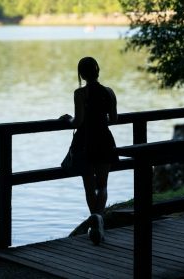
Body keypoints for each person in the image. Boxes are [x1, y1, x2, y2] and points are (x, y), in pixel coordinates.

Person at [60, 56, 118, 245]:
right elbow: (114, 118)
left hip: (85, 142)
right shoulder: (109, 92)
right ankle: (99, 219)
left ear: (82, 74)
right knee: (102, 185)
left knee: (88, 185)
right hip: (105, 139)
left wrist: (66, 120)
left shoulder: (80, 94)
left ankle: (95, 220)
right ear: (98, 71)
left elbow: (78, 122)